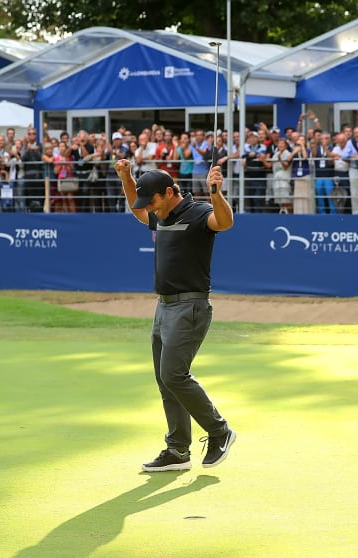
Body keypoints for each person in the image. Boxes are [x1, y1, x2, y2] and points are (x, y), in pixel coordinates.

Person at [114, 160, 236, 472]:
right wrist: (126, 177)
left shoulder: (197, 212)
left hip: (190, 306)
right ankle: (178, 450)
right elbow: (137, 210)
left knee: (174, 375)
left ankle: (220, 431)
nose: (149, 209)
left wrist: (216, 193)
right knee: (165, 381)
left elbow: (224, 223)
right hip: (164, 306)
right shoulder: (160, 214)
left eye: (152, 201)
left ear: (169, 193)